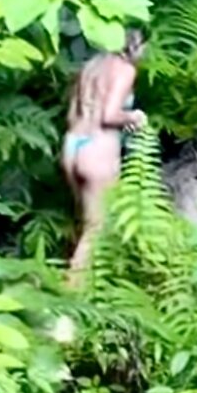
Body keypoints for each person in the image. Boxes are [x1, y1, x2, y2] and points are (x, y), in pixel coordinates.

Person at [61, 30, 149, 275]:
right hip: (97, 151)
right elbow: (109, 115)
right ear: (137, 44)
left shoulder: (92, 66)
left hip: (73, 144)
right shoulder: (124, 69)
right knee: (97, 229)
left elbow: (73, 112)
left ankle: (71, 284)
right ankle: (70, 302)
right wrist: (134, 116)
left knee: (83, 222)